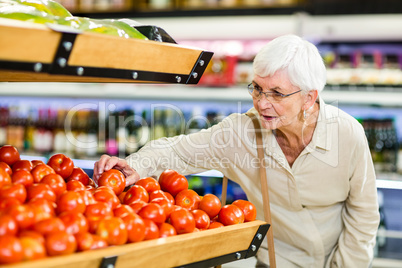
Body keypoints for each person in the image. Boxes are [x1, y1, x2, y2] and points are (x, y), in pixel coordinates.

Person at [93, 34, 380, 267]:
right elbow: (177, 152)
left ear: (309, 98)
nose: (261, 103)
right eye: (256, 88)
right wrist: (134, 165)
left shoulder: (347, 134)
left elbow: (364, 214)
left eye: (276, 93)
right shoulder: (241, 133)